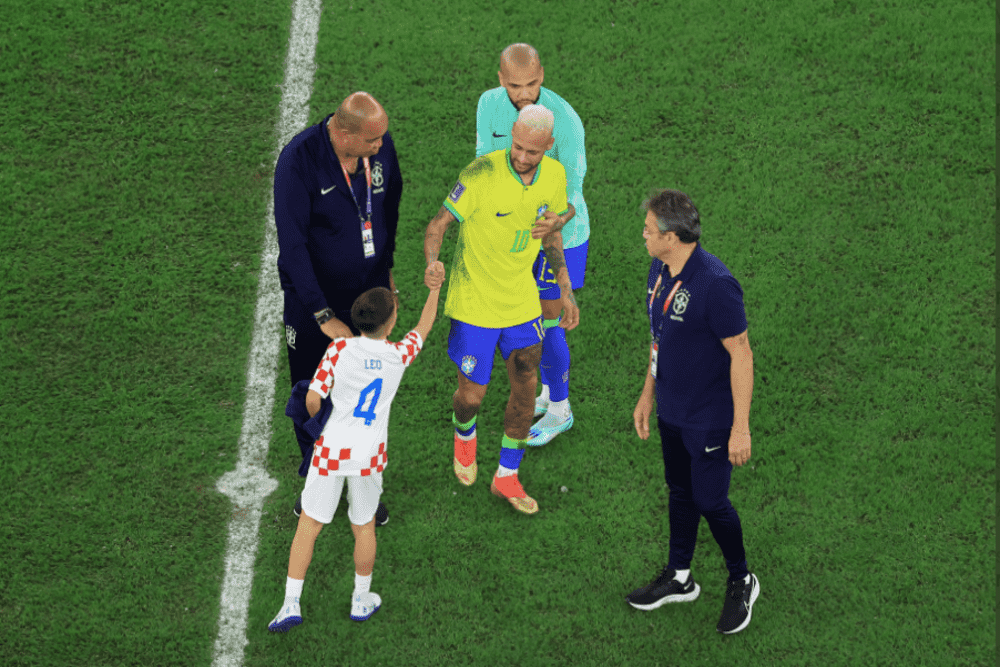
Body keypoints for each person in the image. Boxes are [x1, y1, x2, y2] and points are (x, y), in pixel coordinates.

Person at [423, 104, 579, 515]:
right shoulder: (481, 173)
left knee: (526, 384)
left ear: (549, 145)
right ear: (512, 134)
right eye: (518, 146)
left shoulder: (556, 176)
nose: (523, 157)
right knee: (471, 398)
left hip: (520, 301)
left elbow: (550, 236)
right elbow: (438, 225)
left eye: (533, 151)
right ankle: (465, 435)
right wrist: (432, 263)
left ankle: (506, 476)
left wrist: (565, 290)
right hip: (473, 302)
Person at [268, 283, 441, 632]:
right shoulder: (398, 355)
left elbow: (313, 399)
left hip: (330, 451)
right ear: (390, 325)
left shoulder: (339, 349)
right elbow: (423, 327)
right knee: (363, 526)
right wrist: (434, 289)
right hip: (369, 456)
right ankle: (361, 599)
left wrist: (319, 429)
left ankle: (290, 604)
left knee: (309, 525)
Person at [626, 189, 759, 635]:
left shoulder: (715, 285)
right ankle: (680, 577)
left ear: (672, 236)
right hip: (672, 409)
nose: (642, 235)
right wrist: (648, 394)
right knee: (680, 491)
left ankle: (742, 579)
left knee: (709, 499)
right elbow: (658, 337)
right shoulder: (660, 269)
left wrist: (740, 427)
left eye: (648, 230)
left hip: (710, 416)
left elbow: (741, 353)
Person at [273, 91, 402, 524]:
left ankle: (360, 485)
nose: (381, 147)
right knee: (312, 391)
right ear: (343, 133)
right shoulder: (298, 162)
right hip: (316, 307)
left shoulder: (378, 150)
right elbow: (292, 245)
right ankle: (315, 477)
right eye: (372, 140)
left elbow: (390, 209)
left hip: (366, 298)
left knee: (362, 391)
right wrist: (321, 314)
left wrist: (386, 272)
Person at [475, 43, 589, 447]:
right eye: (515, 86)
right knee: (527, 322)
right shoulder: (489, 105)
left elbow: (572, 194)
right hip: (517, 234)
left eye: (533, 84)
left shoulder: (567, 123)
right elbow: (486, 166)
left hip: (560, 237)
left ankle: (560, 410)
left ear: (542, 76)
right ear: (500, 79)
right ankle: (547, 394)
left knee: (549, 327)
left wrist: (555, 221)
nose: (524, 94)